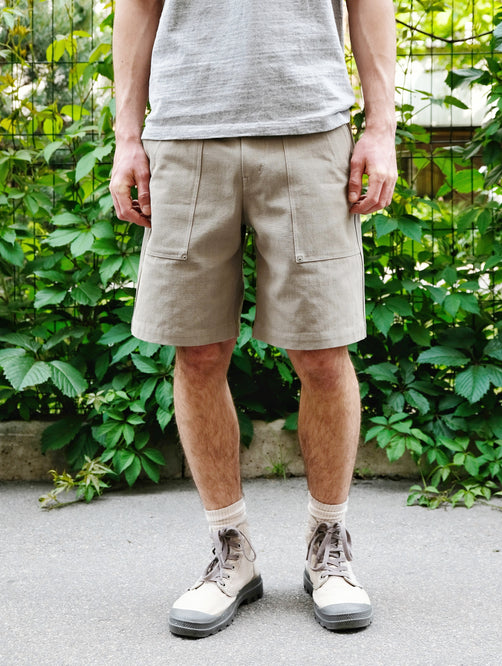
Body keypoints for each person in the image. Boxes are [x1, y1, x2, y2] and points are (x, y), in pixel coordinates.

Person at [110, 0, 397, 638]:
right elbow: (137, 7)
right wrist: (127, 137)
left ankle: (329, 544)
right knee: (197, 351)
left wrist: (381, 127)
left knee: (322, 350)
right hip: (184, 132)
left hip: (310, 128)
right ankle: (230, 551)